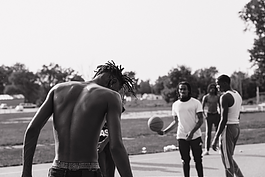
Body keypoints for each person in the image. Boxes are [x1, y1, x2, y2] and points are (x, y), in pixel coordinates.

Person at [21, 61, 135, 177]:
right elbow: (116, 147)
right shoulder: (111, 96)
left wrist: (26, 173)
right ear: (112, 81)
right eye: (117, 89)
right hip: (87, 171)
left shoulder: (58, 89)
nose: (116, 92)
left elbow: (32, 129)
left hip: (58, 170)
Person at [158, 81, 204, 177]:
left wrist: (191, 133)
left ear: (188, 90)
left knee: (198, 160)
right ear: (178, 91)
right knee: (185, 160)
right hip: (182, 136)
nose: (182, 91)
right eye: (180, 89)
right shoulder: (175, 105)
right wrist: (164, 131)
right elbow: (175, 121)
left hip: (195, 136)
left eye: (184, 89)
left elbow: (200, 120)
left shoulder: (195, 103)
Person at [211, 74, 244, 177]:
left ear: (225, 84)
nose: (217, 87)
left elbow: (223, 119)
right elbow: (238, 115)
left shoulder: (225, 97)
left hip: (228, 129)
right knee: (229, 157)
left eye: (218, 84)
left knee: (227, 161)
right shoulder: (237, 95)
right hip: (236, 127)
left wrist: (215, 138)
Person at [97, 107, 125, 177]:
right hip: (97, 144)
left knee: (109, 172)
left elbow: (115, 129)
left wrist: (104, 143)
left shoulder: (113, 102)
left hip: (108, 143)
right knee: (101, 172)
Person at [201, 83, 220, 155]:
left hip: (216, 114)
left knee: (218, 132)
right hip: (209, 115)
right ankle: (207, 149)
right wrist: (204, 115)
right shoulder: (206, 97)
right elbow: (201, 107)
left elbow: (220, 106)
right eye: (211, 88)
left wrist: (220, 114)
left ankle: (218, 147)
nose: (212, 89)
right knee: (208, 133)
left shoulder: (217, 97)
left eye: (213, 88)